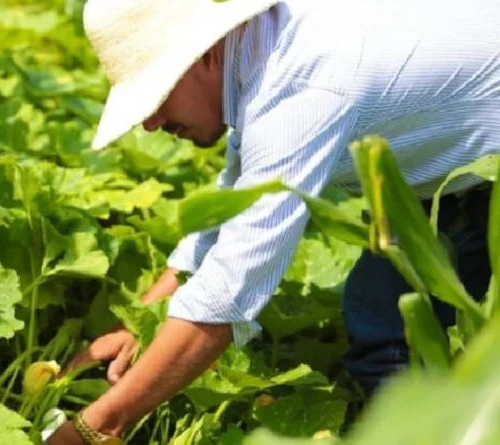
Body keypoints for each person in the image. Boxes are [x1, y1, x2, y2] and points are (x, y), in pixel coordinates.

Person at [46, 0, 500, 442]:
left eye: (157, 93)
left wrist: (97, 426)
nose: (150, 123)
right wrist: (140, 323)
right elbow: (235, 205)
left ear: (203, 54)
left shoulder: (300, 88)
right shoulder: (264, 51)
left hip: (482, 166)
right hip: (462, 171)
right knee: (383, 324)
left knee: (393, 340)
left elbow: (229, 291)